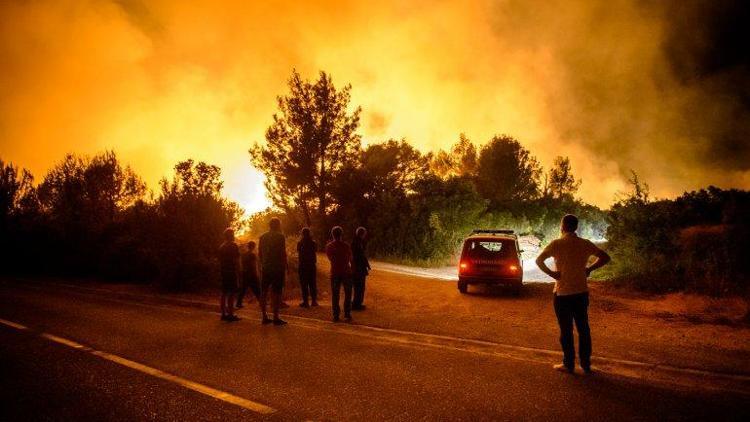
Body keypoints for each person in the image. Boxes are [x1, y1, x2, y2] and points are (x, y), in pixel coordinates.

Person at [536, 214, 611, 374]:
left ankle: (568, 364)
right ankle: (585, 364)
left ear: (562, 226)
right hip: (581, 292)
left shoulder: (557, 244)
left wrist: (552, 274)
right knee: (583, 329)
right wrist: (589, 269)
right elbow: (605, 257)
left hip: (562, 293)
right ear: (576, 227)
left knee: (566, 329)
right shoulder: (584, 244)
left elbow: (539, 260)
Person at [258, 217, 288, 326]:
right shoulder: (280, 237)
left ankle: (264, 316)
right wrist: (285, 267)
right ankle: (275, 317)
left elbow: (260, 253)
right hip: (277, 268)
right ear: (278, 225)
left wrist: (262, 265)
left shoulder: (262, 237)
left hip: (266, 267)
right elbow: (282, 253)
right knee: (276, 292)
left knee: (264, 292)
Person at [325, 226, 353, 322]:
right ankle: (347, 314)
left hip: (335, 272)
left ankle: (336, 315)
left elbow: (330, 259)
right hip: (346, 272)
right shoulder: (346, 246)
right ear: (341, 234)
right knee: (348, 294)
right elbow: (350, 258)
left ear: (332, 234)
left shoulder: (329, 246)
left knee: (335, 294)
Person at [237, 241, 267, 318]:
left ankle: (238, 302)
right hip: (252, 275)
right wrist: (257, 275)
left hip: (245, 274)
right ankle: (262, 304)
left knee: (243, 289)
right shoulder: (252, 255)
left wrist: (242, 272)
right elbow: (254, 266)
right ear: (253, 247)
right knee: (257, 290)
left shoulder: (244, 255)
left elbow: (241, 264)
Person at [218, 228, 240, 322]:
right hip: (231, 271)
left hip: (223, 271)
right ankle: (230, 314)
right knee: (231, 293)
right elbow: (236, 260)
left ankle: (223, 314)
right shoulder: (233, 246)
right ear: (231, 235)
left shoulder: (222, 246)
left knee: (224, 292)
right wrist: (239, 271)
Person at [297, 227, 318, 308]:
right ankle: (314, 301)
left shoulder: (300, 243)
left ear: (302, 234)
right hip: (312, 265)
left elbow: (299, 253)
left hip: (302, 265)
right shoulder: (313, 243)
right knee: (312, 283)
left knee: (304, 284)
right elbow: (315, 251)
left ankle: (305, 301)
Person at [351, 226, 371, 311]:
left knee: (357, 286)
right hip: (359, 268)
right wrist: (366, 265)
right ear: (362, 234)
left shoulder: (355, 242)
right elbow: (361, 256)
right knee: (360, 286)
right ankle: (357, 304)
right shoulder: (358, 243)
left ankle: (356, 303)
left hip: (356, 267)